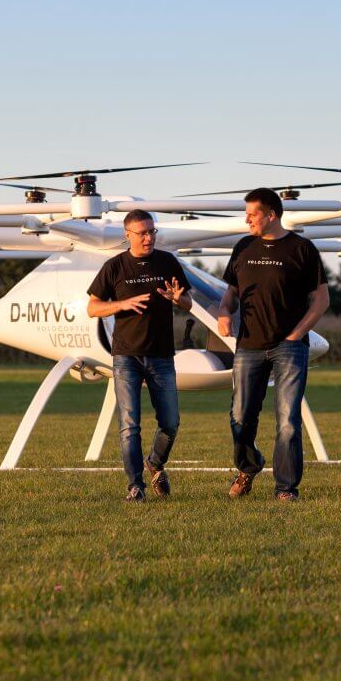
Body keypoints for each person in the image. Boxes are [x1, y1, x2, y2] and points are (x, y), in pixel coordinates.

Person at [217, 188, 330, 501]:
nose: (247, 219)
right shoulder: (243, 246)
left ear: (271, 215)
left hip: (289, 349)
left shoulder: (301, 249)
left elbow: (321, 300)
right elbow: (230, 296)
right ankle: (249, 465)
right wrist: (224, 313)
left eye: (252, 214)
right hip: (248, 347)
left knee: (288, 422)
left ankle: (285, 488)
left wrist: (296, 335)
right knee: (240, 417)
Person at [88, 209, 192, 502]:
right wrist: (121, 304)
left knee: (170, 422)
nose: (148, 238)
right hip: (126, 357)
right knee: (129, 425)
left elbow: (188, 302)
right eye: (142, 233)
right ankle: (136, 487)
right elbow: (93, 307)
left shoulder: (167, 262)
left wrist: (177, 298)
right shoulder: (115, 267)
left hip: (161, 356)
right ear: (128, 235)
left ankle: (155, 463)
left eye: (152, 232)